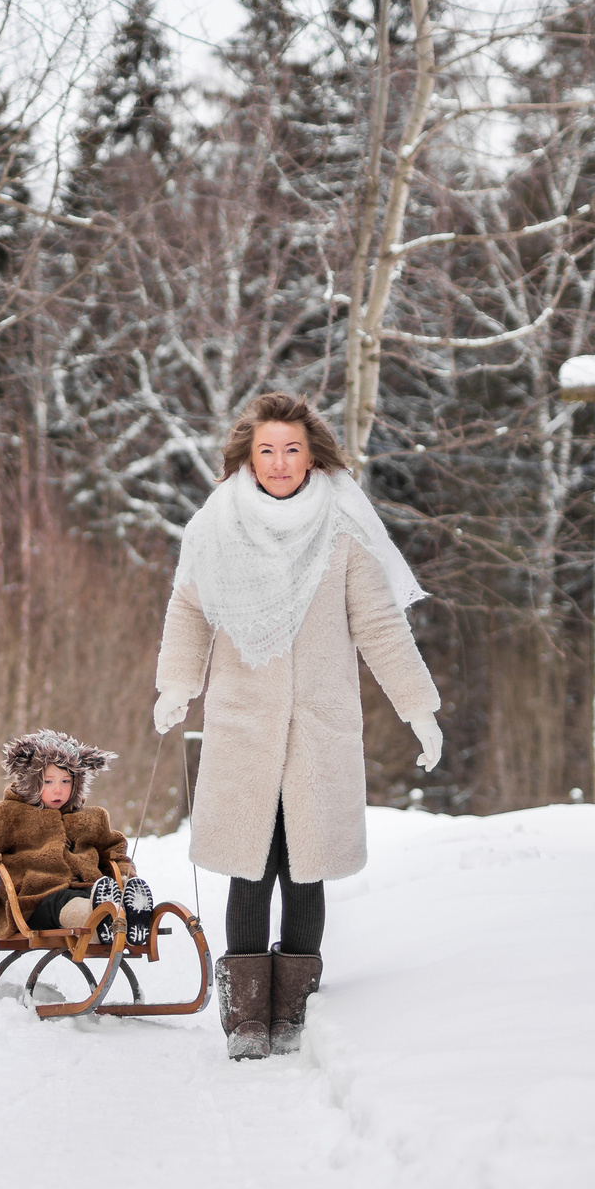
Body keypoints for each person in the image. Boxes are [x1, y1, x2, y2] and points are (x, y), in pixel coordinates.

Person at [152, 393, 442, 1060]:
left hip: (318, 725)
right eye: (267, 450)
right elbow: (189, 609)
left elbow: (378, 624)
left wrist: (417, 706)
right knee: (250, 868)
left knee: (304, 865)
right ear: (247, 457)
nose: (280, 463)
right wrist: (177, 685)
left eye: (292, 449)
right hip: (243, 723)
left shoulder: (343, 530)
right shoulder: (216, 526)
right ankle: (248, 1016)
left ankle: (296, 1011)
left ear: (312, 455)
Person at [0, 730, 153, 939]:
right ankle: (99, 919)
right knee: (65, 901)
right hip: (33, 903)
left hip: (90, 890)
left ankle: (125, 914)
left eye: (66, 781)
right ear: (31, 780)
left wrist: (124, 876)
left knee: (93, 894)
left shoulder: (92, 818)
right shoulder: (8, 814)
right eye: (48, 782)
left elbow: (113, 851)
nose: (58, 790)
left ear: (77, 782)